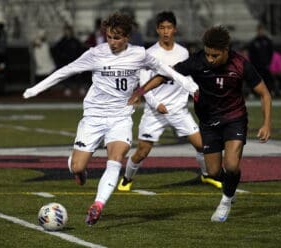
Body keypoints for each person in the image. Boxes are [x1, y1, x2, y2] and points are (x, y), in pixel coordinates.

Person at [22, 12, 198, 226]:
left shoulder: (139, 54)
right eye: (109, 37)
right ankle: (78, 169)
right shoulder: (95, 54)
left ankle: (98, 205)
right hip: (94, 116)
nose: (112, 42)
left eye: (117, 38)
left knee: (115, 160)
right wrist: (36, 89)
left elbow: (167, 71)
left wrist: (189, 85)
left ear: (126, 37)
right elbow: (65, 72)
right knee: (77, 167)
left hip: (120, 117)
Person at [129, 26, 272, 222]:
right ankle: (230, 188)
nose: (210, 59)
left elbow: (264, 94)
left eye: (215, 55)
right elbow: (165, 75)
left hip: (234, 118)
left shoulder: (240, 64)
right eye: (208, 54)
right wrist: (141, 91)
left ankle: (226, 200)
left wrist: (266, 124)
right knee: (213, 172)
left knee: (231, 165)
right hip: (208, 122)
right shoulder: (197, 61)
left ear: (226, 50)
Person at [118, 11, 221, 192]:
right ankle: (126, 178)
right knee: (142, 152)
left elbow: (188, 76)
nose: (166, 31)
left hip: (179, 110)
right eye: (162, 28)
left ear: (175, 29)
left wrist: (196, 92)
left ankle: (206, 175)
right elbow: (144, 83)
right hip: (155, 112)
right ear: (157, 30)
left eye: (169, 28)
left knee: (201, 145)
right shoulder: (149, 54)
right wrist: (156, 104)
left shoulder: (183, 52)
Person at [248, 24, 274, 95]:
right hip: (257, 66)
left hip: (266, 65)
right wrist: (254, 64)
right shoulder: (253, 42)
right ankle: (256, 93)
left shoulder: (268, 41)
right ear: (257, 31)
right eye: (259, 31)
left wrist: (268, 62)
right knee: (257, 81)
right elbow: (251, 55)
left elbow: (270, 53)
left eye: (262, 31)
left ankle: (269, 92)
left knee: (267, 80)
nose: (260, 32)